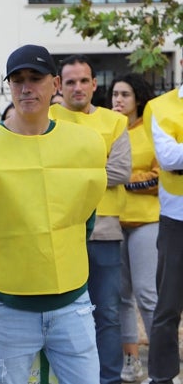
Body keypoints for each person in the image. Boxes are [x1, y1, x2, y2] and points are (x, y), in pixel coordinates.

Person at [0, 44, 107, 383]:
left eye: (35, 78)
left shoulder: (84, 144)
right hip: (6, 303)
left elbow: (86, 216)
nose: (26, 87)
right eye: (17, 79)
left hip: (72, 299)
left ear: (54, 84)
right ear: (9, 86)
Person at [50, 54, 131, 384]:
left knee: (107, 313)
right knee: (61, 314)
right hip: (59, 230)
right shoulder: (48, 116)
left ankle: (108, 379)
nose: (78, 87)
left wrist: (66, 173)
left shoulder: (114, 122)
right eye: (70, 81)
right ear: (58, 85)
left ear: (95, 84)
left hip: (105, 229)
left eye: (84, 80)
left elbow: (121, 170)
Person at [107, 73, 158, 383]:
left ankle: (162, 362)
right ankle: (131, 360)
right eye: (114, 94)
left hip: (146, 221)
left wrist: (123, 176)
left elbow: (159, 175)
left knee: (147, 294)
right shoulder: (108, 130)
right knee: (120, 297)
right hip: (112, 221)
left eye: (125, 94)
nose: (118, 100)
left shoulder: (151, 130)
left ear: (138, 98)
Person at [142, 61, 183, 384]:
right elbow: (169, 158)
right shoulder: (160, 106)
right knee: (167, 306)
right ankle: (162, 376)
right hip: (176, 220)